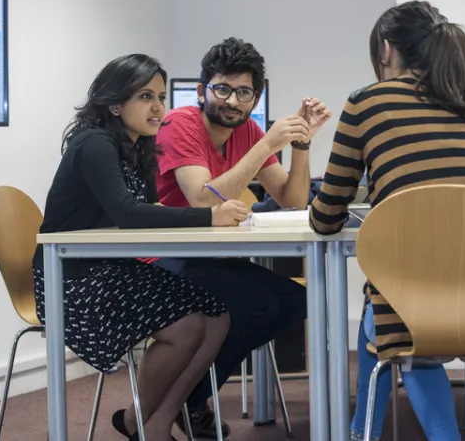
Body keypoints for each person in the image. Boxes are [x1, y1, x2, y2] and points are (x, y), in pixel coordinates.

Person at [309, 1, 465, 441]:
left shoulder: (364, 104)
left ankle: (362, 432)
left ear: (387, 50)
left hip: (410, 312)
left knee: (388, 316)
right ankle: (370, 432)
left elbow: (327, 218)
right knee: (390, 313)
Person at [32, 54, 249, 441]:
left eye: (161, 97)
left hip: (110, 266)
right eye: (145, 96)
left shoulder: (139, 147)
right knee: (186, 328)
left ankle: (153, 422)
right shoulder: (94, 143)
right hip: (72, 278)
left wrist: (203, 219)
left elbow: (153, 210)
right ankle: (143, 424)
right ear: (115, 103)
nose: (157, 108)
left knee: (218, 317)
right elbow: (129, 212)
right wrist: (208, 217)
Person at [152, 37, 332, 438]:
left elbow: (292, 199)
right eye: (222, 89)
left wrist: (300, 143)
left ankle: (189, 395)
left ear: (255, 97)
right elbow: (203, 197)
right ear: (202, 91)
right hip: (162, 257)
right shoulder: (179, 124)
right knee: (254, 304)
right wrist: (267, 142)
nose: (232, 101)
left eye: (244, 92)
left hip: (210, 257)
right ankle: (186, 399)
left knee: (292, 300)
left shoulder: (248, 131)